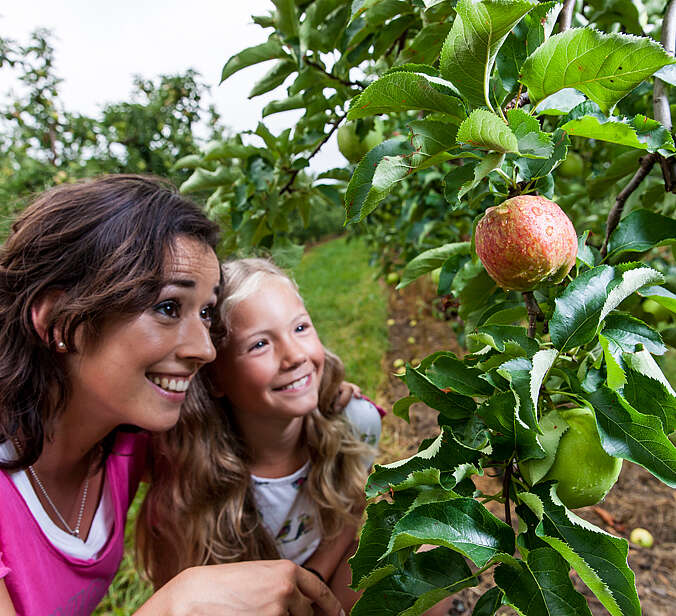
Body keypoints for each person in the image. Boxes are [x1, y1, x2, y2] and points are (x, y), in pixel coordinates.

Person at [0, 176, 344, 616]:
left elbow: (242, 428)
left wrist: (331, 396)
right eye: (167, 308)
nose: (204, 348)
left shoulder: (123, 438)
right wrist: (176, 607)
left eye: (205, 312)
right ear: (57, 321)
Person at [139, 258, 384, 612]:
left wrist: (312, 581)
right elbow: (184, 594)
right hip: (248, 606)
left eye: (300, 328)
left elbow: (351, 510)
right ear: (216, 378)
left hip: (323, 585)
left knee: (422, 559)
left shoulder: (354, 422)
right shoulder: (190, 469)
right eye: (259, 345)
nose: (295, 356)